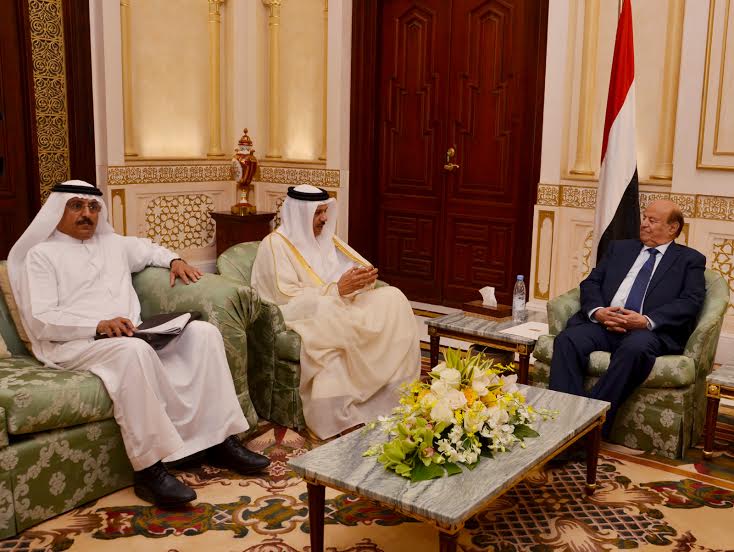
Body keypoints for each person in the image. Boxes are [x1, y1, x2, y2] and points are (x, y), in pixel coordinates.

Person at [7, 180, 270, 507]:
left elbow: (150, 249)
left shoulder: (114, 244)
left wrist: (174, 260)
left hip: (132, 334)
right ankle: (149, 470)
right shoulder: (41, 255)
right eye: (76, 206)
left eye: (93, 207)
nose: (87, 214)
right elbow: (42, 320)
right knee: (134, 351)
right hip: (76, 343)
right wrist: (98, 325)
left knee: (204, 334)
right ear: (58, 210)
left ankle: (219, 441)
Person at [251, 184, 421, 439]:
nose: (324, 219)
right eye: (318, 213)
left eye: (325, 211)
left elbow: (350, 273)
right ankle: (338, 410)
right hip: (300, 312)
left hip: (338, 302)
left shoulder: (325, 238)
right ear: (300, 214)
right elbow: (284, 298)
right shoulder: (274, 245)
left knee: (394, 297)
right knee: (330, 313)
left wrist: (361, 281)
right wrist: (335, 291)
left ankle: (395, 392)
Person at [549, 199, 706, 438]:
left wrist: (646, 320)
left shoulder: (689, 260)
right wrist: (598, 311)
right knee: (567, 340)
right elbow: (591, 283)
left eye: (652, 220)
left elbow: (690, 301)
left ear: (672, 228)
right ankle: (562, 421)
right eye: (644, 218)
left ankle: (587, 426)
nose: (644, 224)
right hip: (606, 323)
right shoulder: (620, 249)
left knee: (635, 349)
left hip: (647, 331)